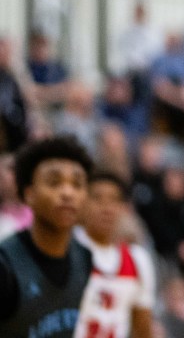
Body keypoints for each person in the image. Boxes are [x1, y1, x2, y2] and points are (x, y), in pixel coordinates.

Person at [0, 135, 95, 338]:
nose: (68, 193)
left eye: (77, 184)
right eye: (54, 182)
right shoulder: (5, 266)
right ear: (28, 194)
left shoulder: (85, 257)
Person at [74, 171, 157, 338]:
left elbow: (143, 330)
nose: (107, 208)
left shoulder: (138, 259)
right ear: (82, 202)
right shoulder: (67, 249)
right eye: (97, 198)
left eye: (114, 200)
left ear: (124, 208)